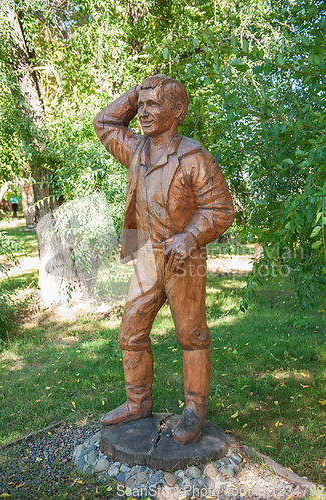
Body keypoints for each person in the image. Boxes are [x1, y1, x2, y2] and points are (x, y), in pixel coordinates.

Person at [93, 75, 234, 445]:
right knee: (131, 333)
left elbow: (220, 209)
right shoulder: (136, 149)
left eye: (154, 105)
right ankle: (137, 403)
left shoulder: (193, 157)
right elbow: (104, 123)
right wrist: (133, 93)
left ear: (178, 111)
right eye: (142, 106)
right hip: (147, 257)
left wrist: (190, 236)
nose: (143, 113)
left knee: (192, 335)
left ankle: (194, 409)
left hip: (184, 258)